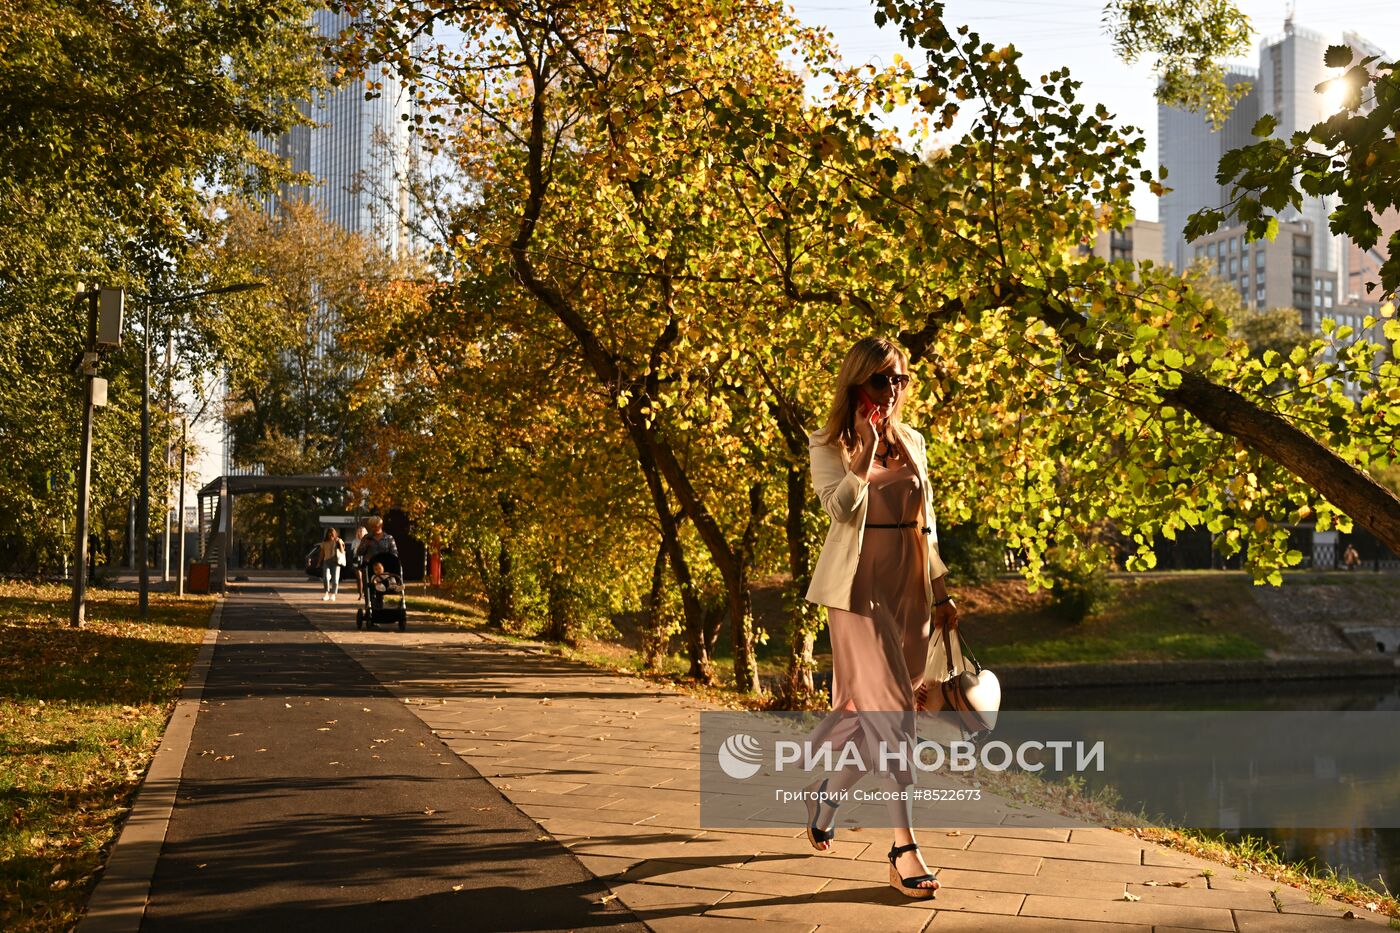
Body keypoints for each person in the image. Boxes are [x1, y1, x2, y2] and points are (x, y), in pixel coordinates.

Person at [801, 336, 959, 899]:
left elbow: (929, 523)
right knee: (894, 714)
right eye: (879, 380)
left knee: (888, 717)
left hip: (910, 587)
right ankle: (903, 848)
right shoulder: (829, 443)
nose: (890, 391)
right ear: (856, 384)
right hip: (858, 588)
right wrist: (865, 451)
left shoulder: (914, 440)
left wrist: (941, 594)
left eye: (899, 380)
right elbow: (840, 509)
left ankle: (828, 795)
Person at [318, 528, 345, 601]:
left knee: (335, 579)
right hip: (326, 561)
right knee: (326, 577)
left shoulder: (338, 540)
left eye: (332, 533)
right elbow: (322, 553)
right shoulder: (324, 542)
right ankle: (326, 593)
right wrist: (319, 562)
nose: (330, 535)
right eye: (329, 533)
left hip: (336, 562)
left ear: (335, 534)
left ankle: (333, 594)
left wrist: (339, 543)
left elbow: (342, 551)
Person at [348, 526, 368, 595]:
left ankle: (366, 593)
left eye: (362, 531)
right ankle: (360, 593)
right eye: (359, 531)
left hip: (365, 560)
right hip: (357, 560)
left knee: (365, 577)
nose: (360, 533)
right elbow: (352, 552)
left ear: (365, 532)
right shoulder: (355, 541)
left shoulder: (368, 540)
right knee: (359, 577)